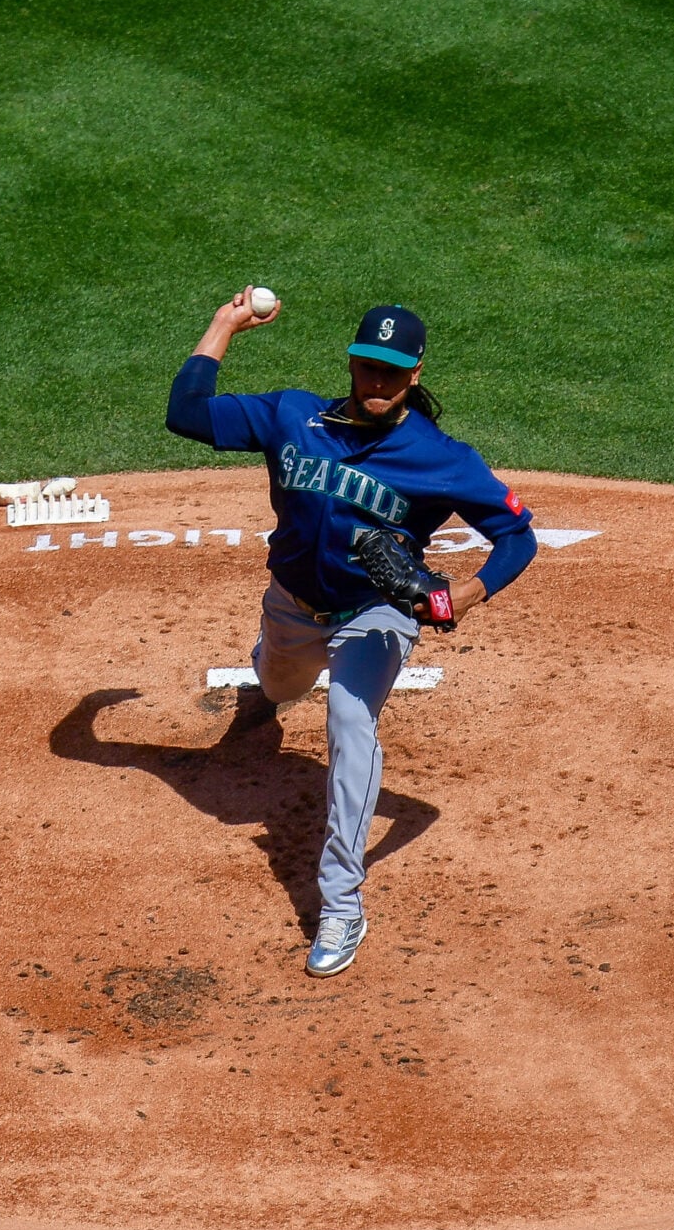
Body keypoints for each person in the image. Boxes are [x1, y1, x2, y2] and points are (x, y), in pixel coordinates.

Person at [166, 290, 538, 977]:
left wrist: (470, 591)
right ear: (352, 362)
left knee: (349, 719)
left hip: (377, 613)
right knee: (278, 682)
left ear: (415, 374)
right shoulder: (293, 416)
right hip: (292, 605)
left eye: (392, 373)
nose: (377, 383)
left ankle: (342, 902)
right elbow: (184, 414)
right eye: (368, 367)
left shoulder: (440, 456)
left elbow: (517, 534)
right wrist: (225, 323)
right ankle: (270, 682)